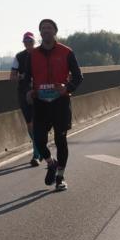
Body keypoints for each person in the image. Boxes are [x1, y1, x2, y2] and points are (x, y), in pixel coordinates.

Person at [30, 18, 83, 191]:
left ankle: (60, 177)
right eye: (43, 28)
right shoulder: (33, 55)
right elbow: (24, 80)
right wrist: (27, 92)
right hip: (41, 104)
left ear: (55, 31)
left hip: (60, 103)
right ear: (40, 32)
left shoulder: (66, 52)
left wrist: (67, 87)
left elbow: (78, 76)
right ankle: (51, 163)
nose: (46, 30)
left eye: (49, 28)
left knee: (61, 140)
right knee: (38, 139)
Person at [10, 31, 43, 166]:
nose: (28, 44)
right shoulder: (19, 57)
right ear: (23, 43)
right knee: (30, 124)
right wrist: (21, 77)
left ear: (34, 42)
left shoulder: (41, 54)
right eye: (26, 42)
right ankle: (39, 150)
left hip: (40, 92)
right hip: (24, 93)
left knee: (39, 124)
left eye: (31, 41)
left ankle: (36, 154)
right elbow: (12, 77)